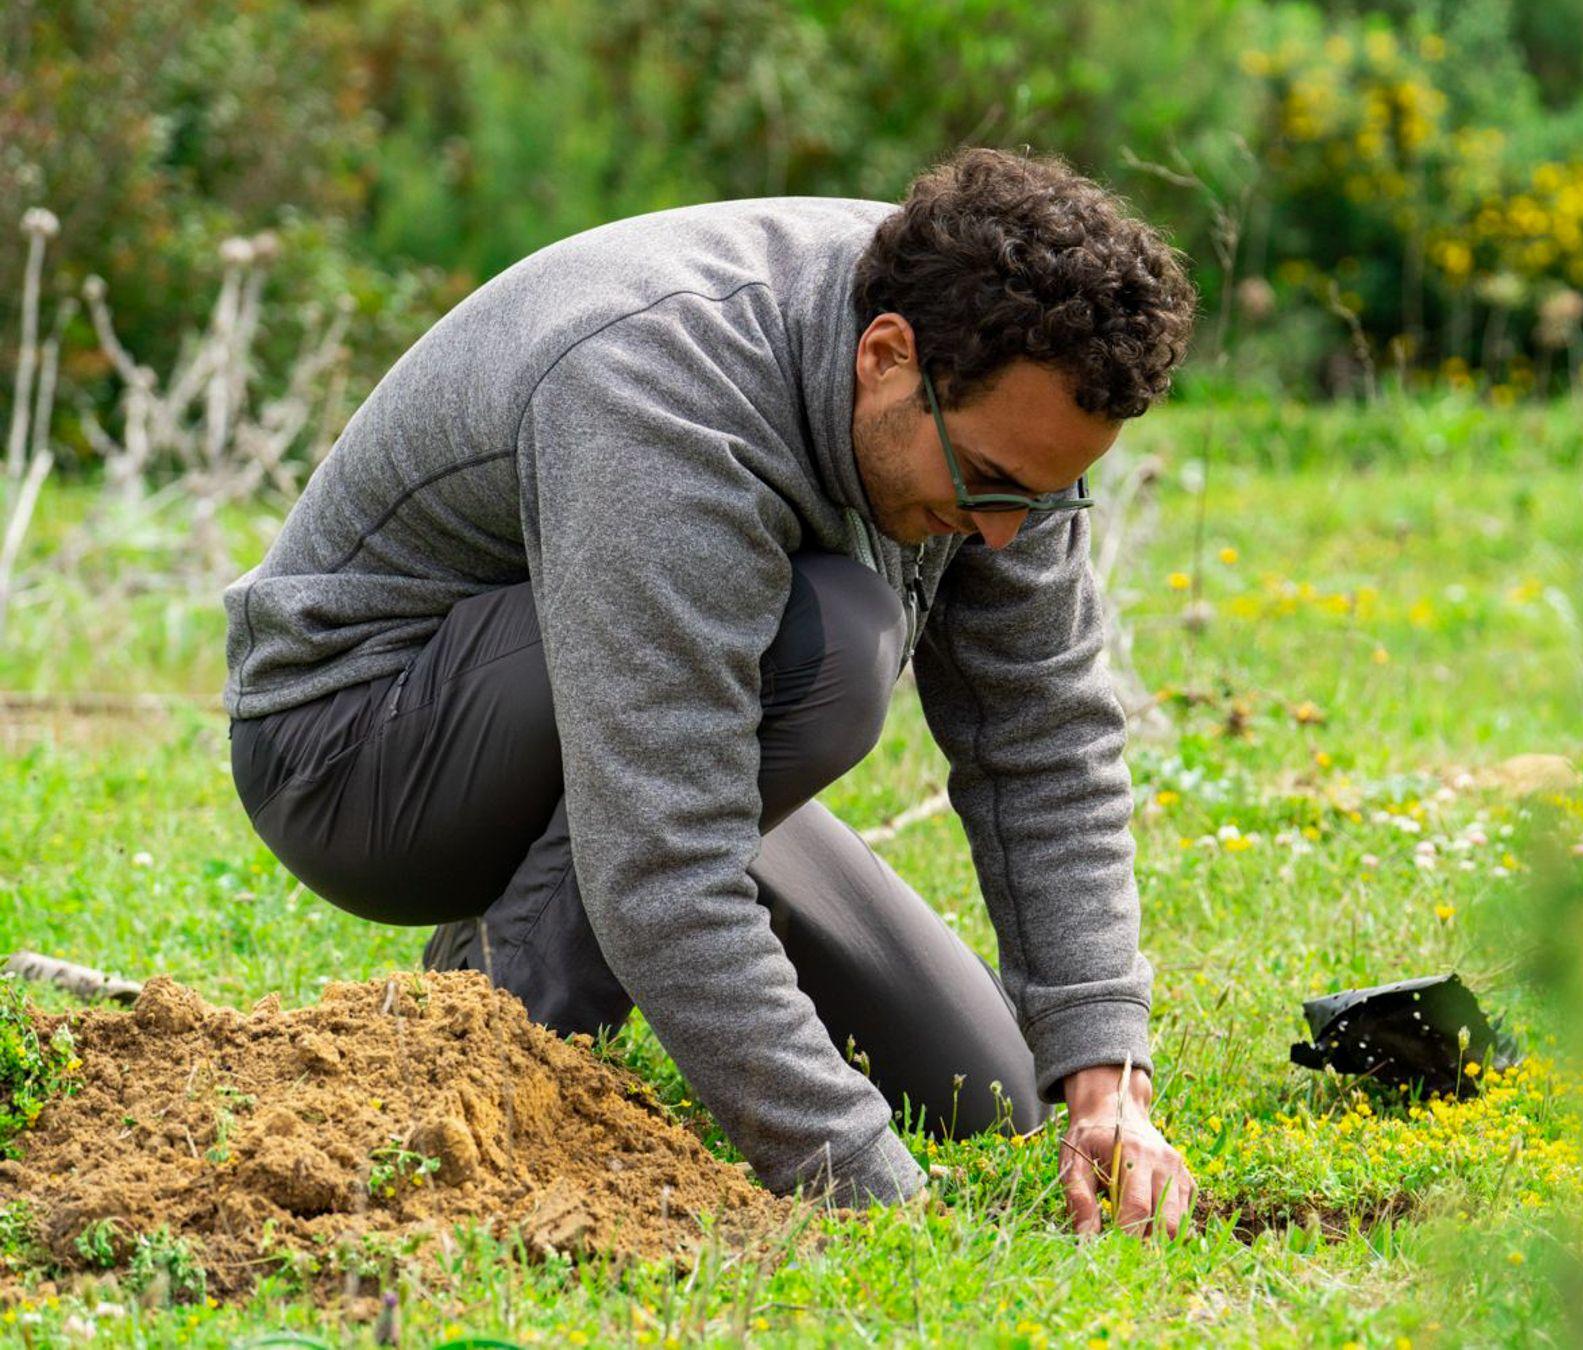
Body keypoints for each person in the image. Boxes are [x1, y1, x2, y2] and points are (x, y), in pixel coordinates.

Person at [220, 146, 1199, 1236]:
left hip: (645, 715)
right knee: (833, 647)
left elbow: (1045, 736)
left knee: (990, 1092)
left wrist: (1104, 1070)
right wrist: (873, 1192)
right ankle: (487, 1030)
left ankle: (523, 994)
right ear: (886, 357)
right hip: (359, 750)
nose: (1007, 534)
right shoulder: (665, 392)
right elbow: (662, 873)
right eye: (994, 485)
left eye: (1051, 492)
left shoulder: (997, 372)